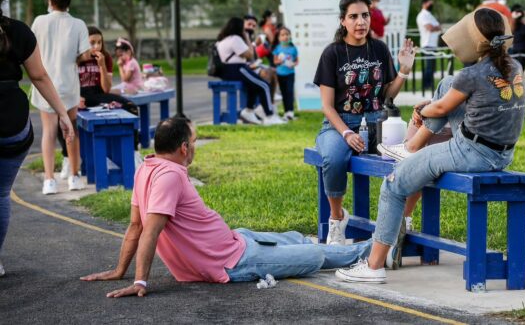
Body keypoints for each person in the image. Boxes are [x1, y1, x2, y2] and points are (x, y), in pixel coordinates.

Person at [80, 116, 371, 297]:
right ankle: (376, 250)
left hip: (235, 240)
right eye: (193, 142)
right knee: (314, 255)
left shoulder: (147, 167)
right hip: (232, 262)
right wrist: (139, 281)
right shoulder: (169, 176)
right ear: (183, 148)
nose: (194, 147)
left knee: (295, 236)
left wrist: (120, 270)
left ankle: (304, 243)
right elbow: (149, 230)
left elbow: (135, 224)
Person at [339, 7, 525, 283]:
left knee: (394, 183)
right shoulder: (513, 66)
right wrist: (432, 108)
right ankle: (412, 148)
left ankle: (373, 266)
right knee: (447, 83)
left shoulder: (472, 75)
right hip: (502, 152)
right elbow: (446, 103)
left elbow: (441, 107)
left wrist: (423, 110)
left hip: (473, 152)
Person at [313, 0, 415, 245]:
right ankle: (337, 220)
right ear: (342, 21)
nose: (361, 22)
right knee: (333, 159)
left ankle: (401, 221)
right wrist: (346, 134)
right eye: (354, 16)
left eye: (365, 15)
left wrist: (403, 71)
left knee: (412, 157)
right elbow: (326, 106)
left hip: (378, 124)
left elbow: (388, 96)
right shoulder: (332, 53)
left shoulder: (378, 48)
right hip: (340, 125)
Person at [0, 0, 75, 276]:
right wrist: (63, 115)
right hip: (13, 126)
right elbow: (40, 77)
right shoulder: (17, 31)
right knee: (1, 194)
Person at [58, 26, 142, 179]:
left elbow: (106, 88)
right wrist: (75, 97)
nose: (96, 46)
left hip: (97, 94)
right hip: (76, 95)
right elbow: (65, 83)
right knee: (60, 114)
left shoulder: (106, 57)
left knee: (131, 107)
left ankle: (134, 152)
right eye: (92, 43)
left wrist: (102, 65)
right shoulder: (72, 57)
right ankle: (67, 158)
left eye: (99, 42)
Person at [31, 0, 91, 194]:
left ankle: (49, 180)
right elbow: (85, 55)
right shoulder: (78, 24)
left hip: (45, 84)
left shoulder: (39, 21)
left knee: (48, 132)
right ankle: (74, 176)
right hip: (69, 85)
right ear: (68, 2)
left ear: (49, 1)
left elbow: (32, 49)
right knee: (71, 129)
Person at [215, 17, 283, 125]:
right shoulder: (235, 39)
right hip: (237, 69)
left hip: (228, 70)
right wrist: (246, 38)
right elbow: (249, 55)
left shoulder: (223, 40)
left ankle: (248, 111)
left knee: (254, 86)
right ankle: (270, 116)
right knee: (264, 85)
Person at [415, 0, 441, 91]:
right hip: (427, 44)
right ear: (424, 3)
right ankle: (426, 86)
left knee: (432, 67)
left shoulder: (430, 15)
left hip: (433, 44)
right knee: (428, 67)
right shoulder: (422, 15)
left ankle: (429, 85)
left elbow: (439, 27)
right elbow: (430, 28)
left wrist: (435, 27)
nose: (431, 5)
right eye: (430, 3)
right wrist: (436, 27)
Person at [273, 27, 298, 121]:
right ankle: (286, 112)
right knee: (283, 93)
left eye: (287, 34)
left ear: (290, 36)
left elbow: (297, 60)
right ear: (279, 37)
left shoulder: (293, 48)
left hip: (290, 74)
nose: (285, 36)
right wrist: (279, 61)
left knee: (290, 92)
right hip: (280, 74)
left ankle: (290, 112)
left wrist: (293, 64)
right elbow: (275, 61)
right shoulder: (277, 48)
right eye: (282, 35)